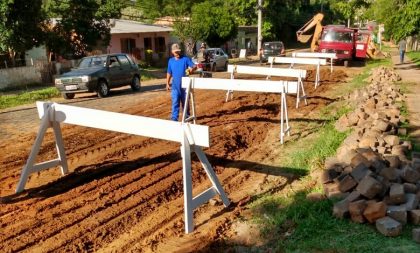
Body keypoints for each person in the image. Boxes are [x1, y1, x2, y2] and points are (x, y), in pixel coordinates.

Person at [166, 43, 196, 121]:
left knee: (185, 103)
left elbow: (194, 66)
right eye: (176, 52)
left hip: (185, 87)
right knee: (175, 103)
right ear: (172, 52)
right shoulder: (171, 61)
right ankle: (174, 119)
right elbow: (169, 72)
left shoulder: (185, 59)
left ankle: (187, 118)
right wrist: (167, 83)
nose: (177, 53)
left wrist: (192, 69)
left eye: (178, 51)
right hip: (175, 86)